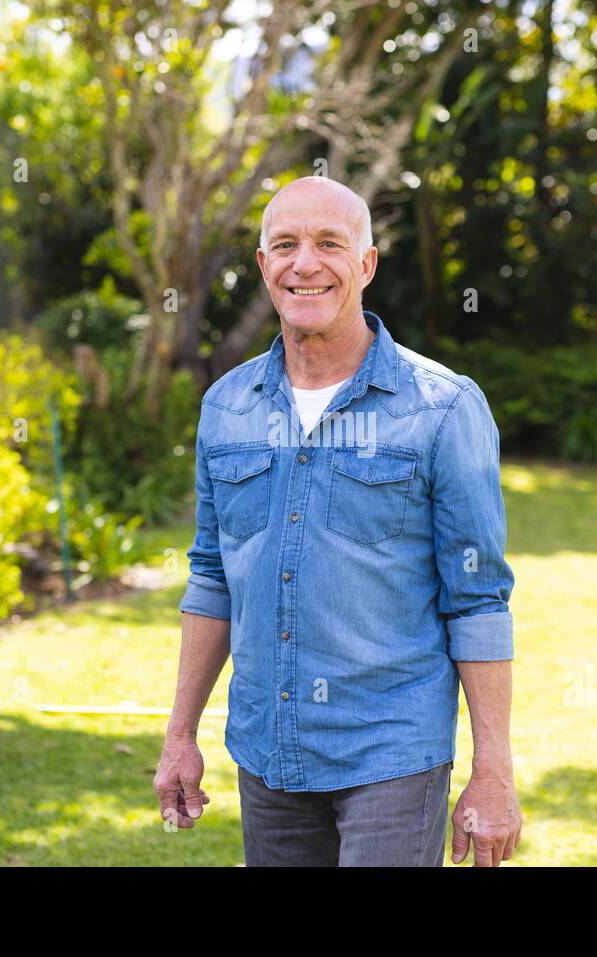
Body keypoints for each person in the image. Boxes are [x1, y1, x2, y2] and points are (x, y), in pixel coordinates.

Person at [153, 176, 521, 866]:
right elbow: (211, 577)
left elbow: (477, 599)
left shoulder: (442, 408)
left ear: (366, 264)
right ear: (263, 265)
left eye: (330, 243)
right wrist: (181, 733)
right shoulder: (226, 407)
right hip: (268, 751)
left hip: (391, 752)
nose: (306, 263)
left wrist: (493, 771)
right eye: (286, 245)